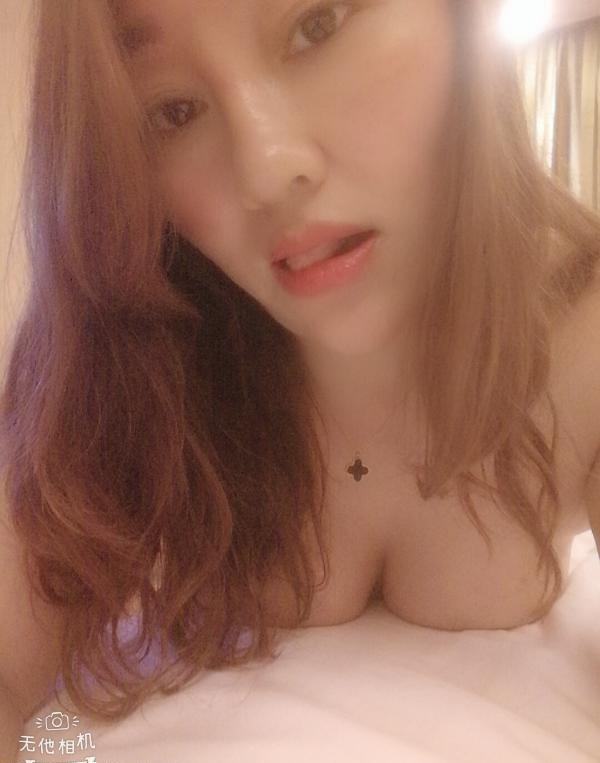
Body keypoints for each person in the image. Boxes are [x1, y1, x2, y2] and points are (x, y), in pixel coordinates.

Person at [2, 0, 600, 757]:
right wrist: (56, 744)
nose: (267, 169)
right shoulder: (131, 364)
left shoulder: (583, 331)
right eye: (173, 110)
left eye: (318, 24)